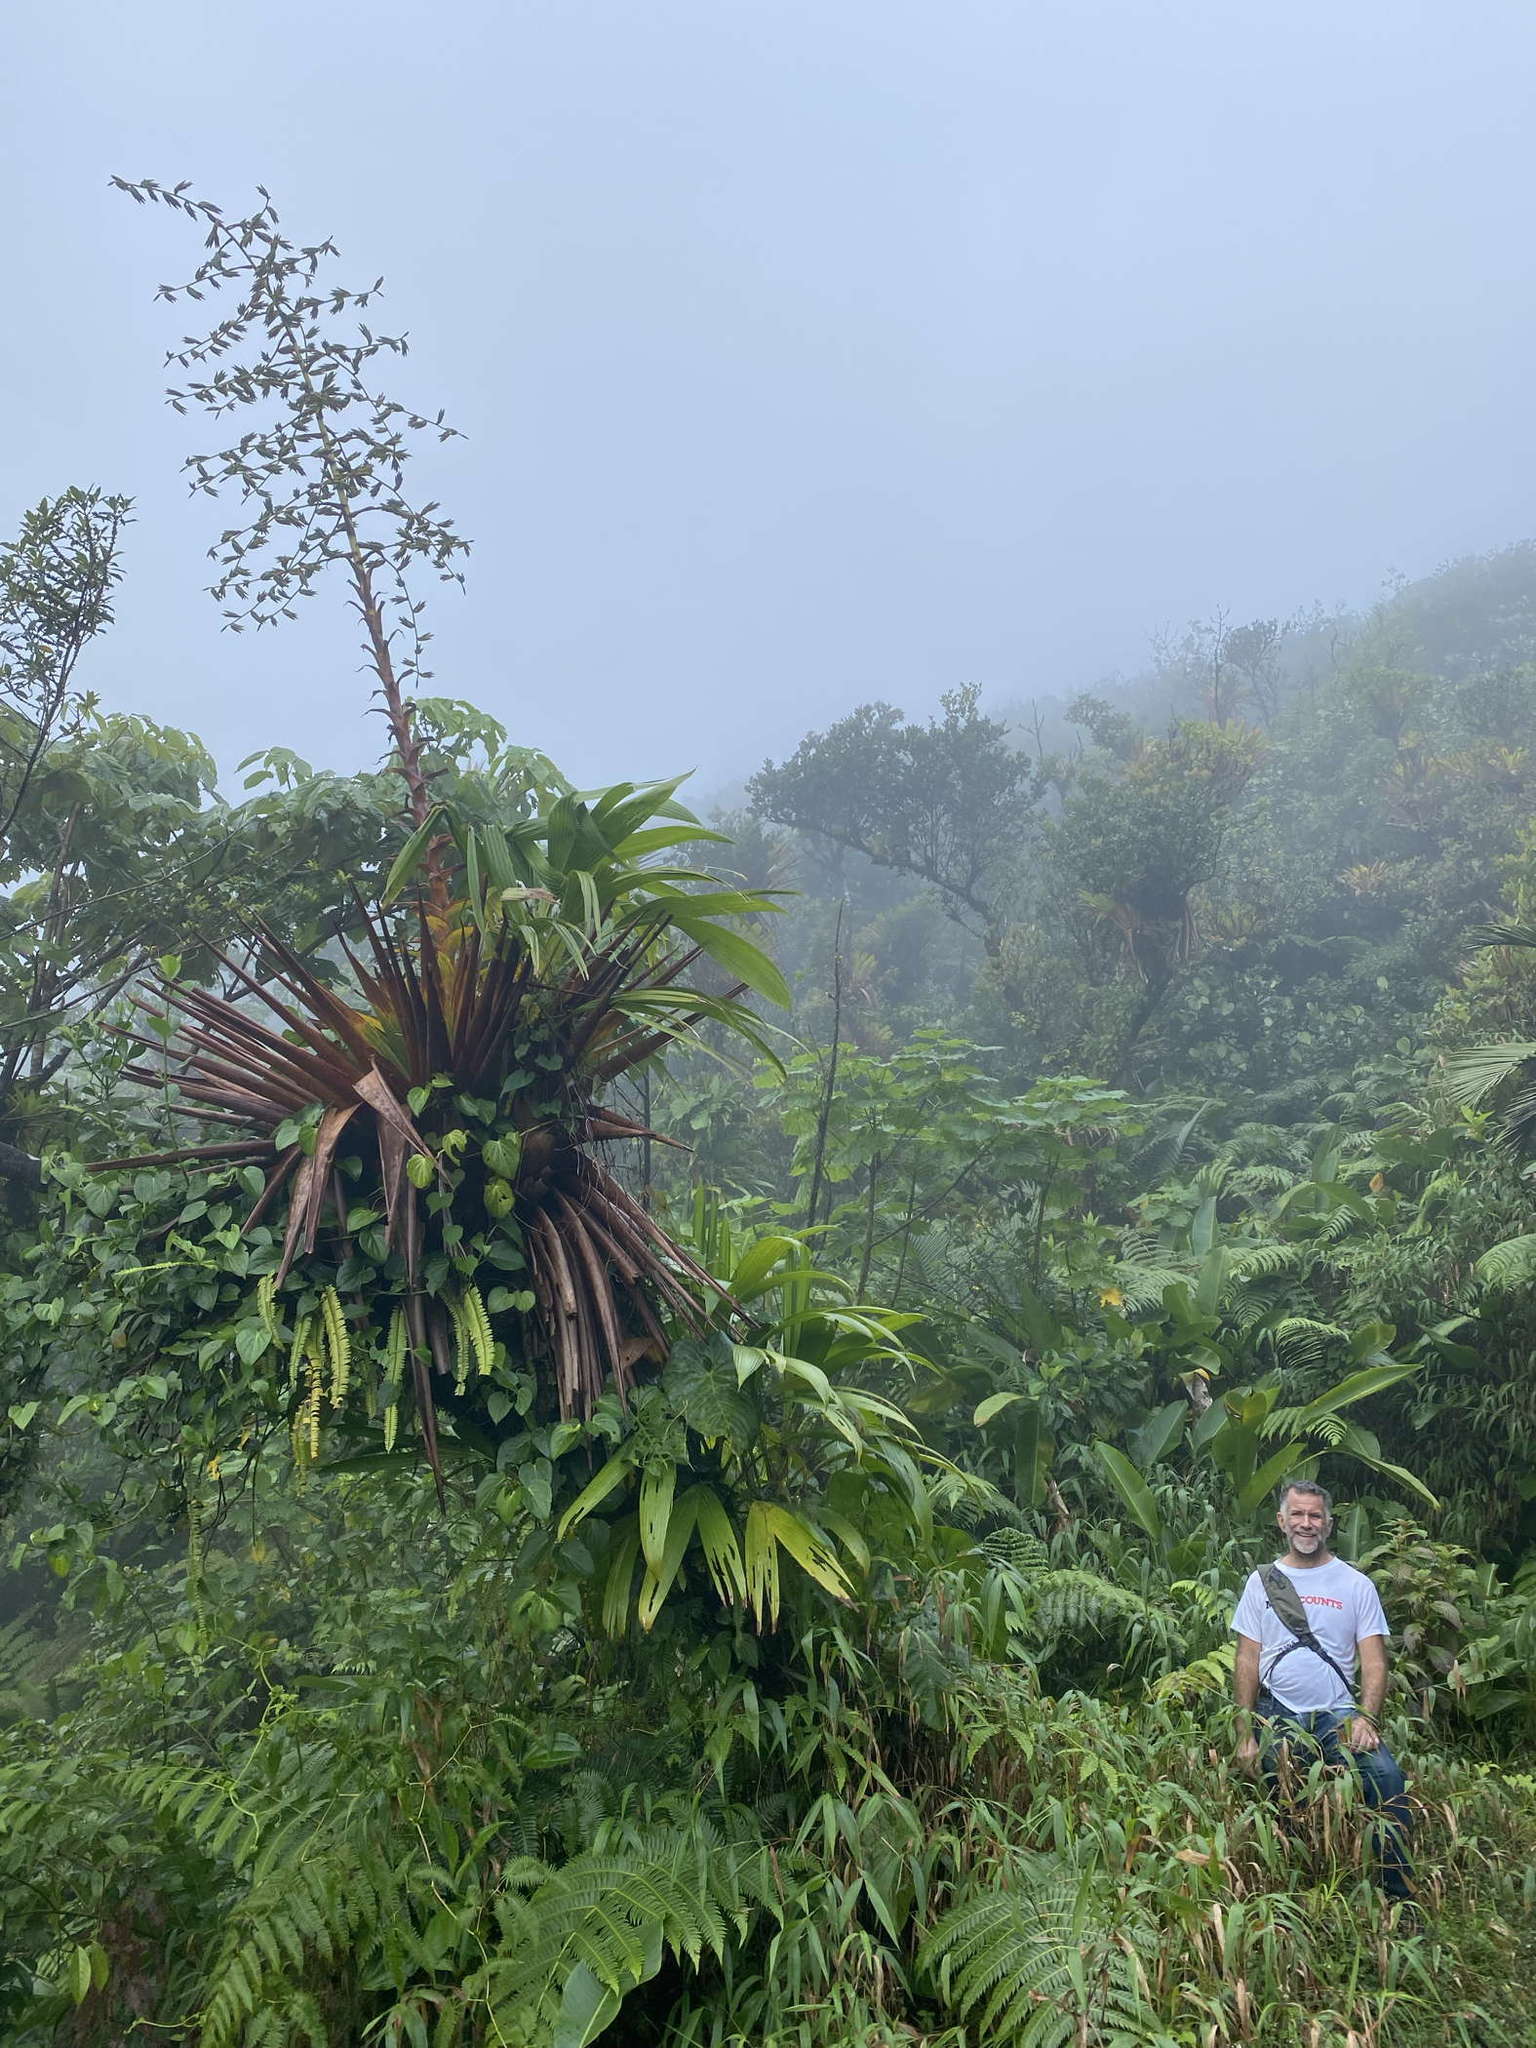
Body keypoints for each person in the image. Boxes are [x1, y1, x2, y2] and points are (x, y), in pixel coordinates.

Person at [1231, 1477, 1414, 1905]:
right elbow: (1246, 1660)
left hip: (1339, 1715)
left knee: (1387, 1778)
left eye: (1315, 1516)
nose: (1306, 1523)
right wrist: (1245, 1732)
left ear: (1329, 1523)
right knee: (1277, 1802)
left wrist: (1367, 1719)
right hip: (1278, 1710)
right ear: (1281, 1521)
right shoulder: (1262, 1582)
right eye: (1297, 1514)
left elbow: (1373, 1662)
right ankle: (1290, 1898)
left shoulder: (1355, 1585)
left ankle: (1398, 1896)